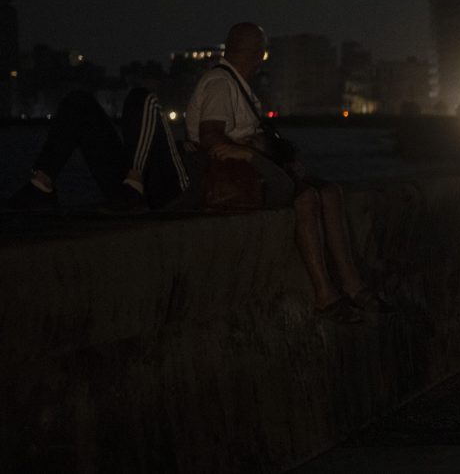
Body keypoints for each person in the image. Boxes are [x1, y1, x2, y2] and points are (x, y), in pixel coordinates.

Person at [188, 22, 382, 323]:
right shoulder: (220, 83)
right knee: (305, 199)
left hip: (257, 169)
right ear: (256, 53)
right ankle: (324, 294)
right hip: (238, 178)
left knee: (330, 193)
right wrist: (248, 151)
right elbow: (210, 136)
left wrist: (265, 150)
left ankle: (352, 285)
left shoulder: (237, 85)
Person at [5, 87, 189, 214]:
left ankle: (134, 184)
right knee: (78, 101)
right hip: (127, 190)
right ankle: (41, 185)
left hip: (170, 189)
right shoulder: (214, 83)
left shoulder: (216, 82)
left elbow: (210, 135)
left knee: (142, 98)